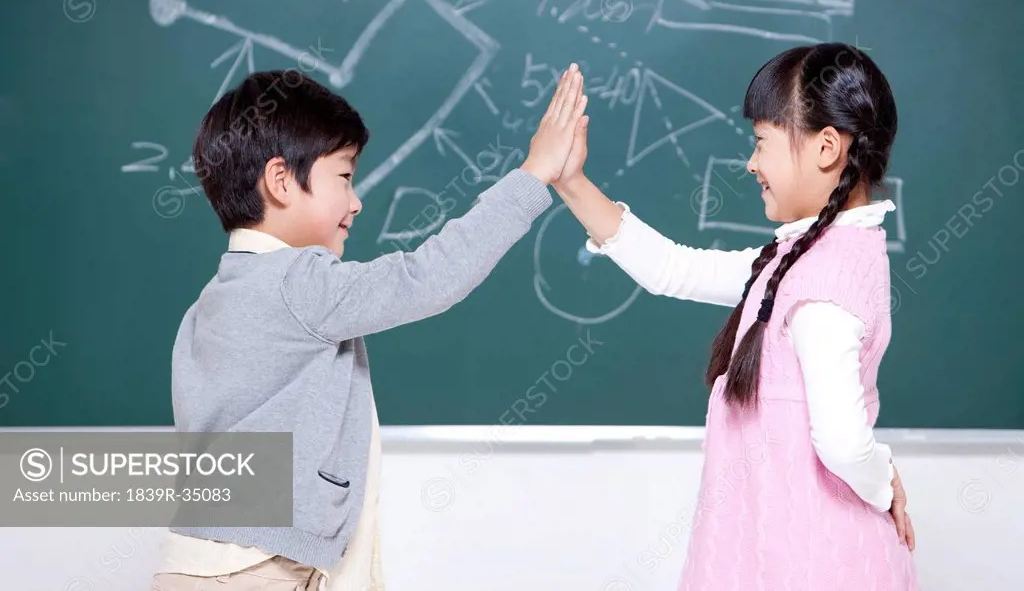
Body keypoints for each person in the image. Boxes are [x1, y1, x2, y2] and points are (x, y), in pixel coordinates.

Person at [151, 64, 589, 591]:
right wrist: (533, 174)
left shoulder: (210, 303)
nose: (356, 201)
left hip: (206, 562)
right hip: (256, 572)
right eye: (344, 177)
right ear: (281, 180)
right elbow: (430, 277)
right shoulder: (300, 283)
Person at [554, 44, 919, 589]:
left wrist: (883, 480)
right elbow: (672, 269)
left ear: (825, 147)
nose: (751, 163)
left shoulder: (824, 283)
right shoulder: (798, 258)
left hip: (813, 563)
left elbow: (843, 441)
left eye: (761, 142)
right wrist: (571, 182)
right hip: (780, 554)